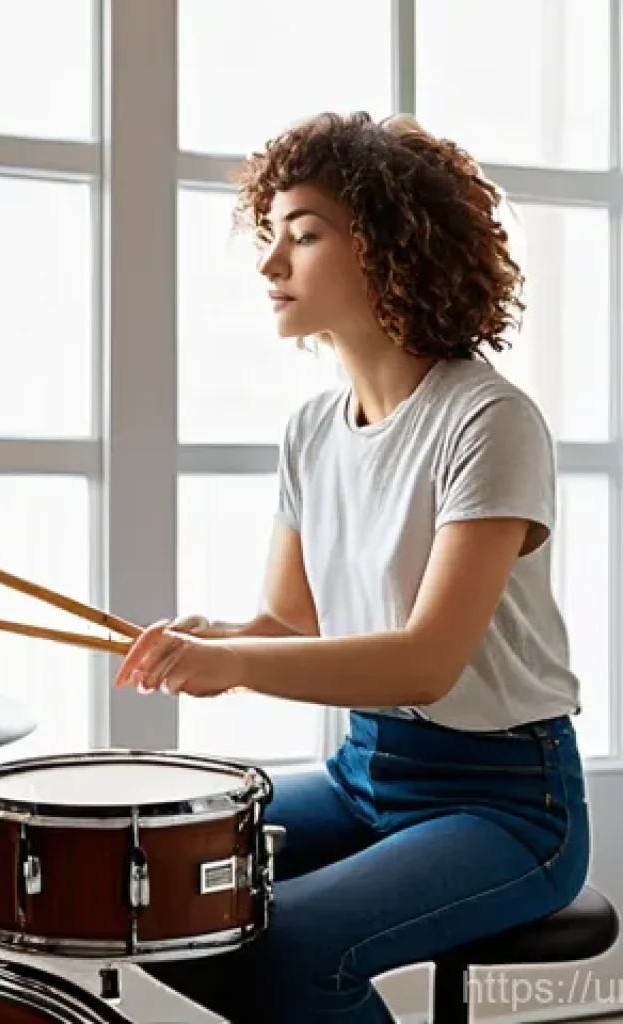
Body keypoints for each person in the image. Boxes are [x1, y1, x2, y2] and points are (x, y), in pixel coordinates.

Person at [113, 111, 590, 1023]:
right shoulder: (310, 431)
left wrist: (236, 663)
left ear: (389, 247)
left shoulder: (489, 420)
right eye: (271, 234)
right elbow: (289, 624)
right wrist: (218, 638)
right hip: (363, 770)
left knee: (286, 948)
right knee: (151, 893)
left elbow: (424, 663)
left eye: (304, 235)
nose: (271, 264)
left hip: (507, 803)